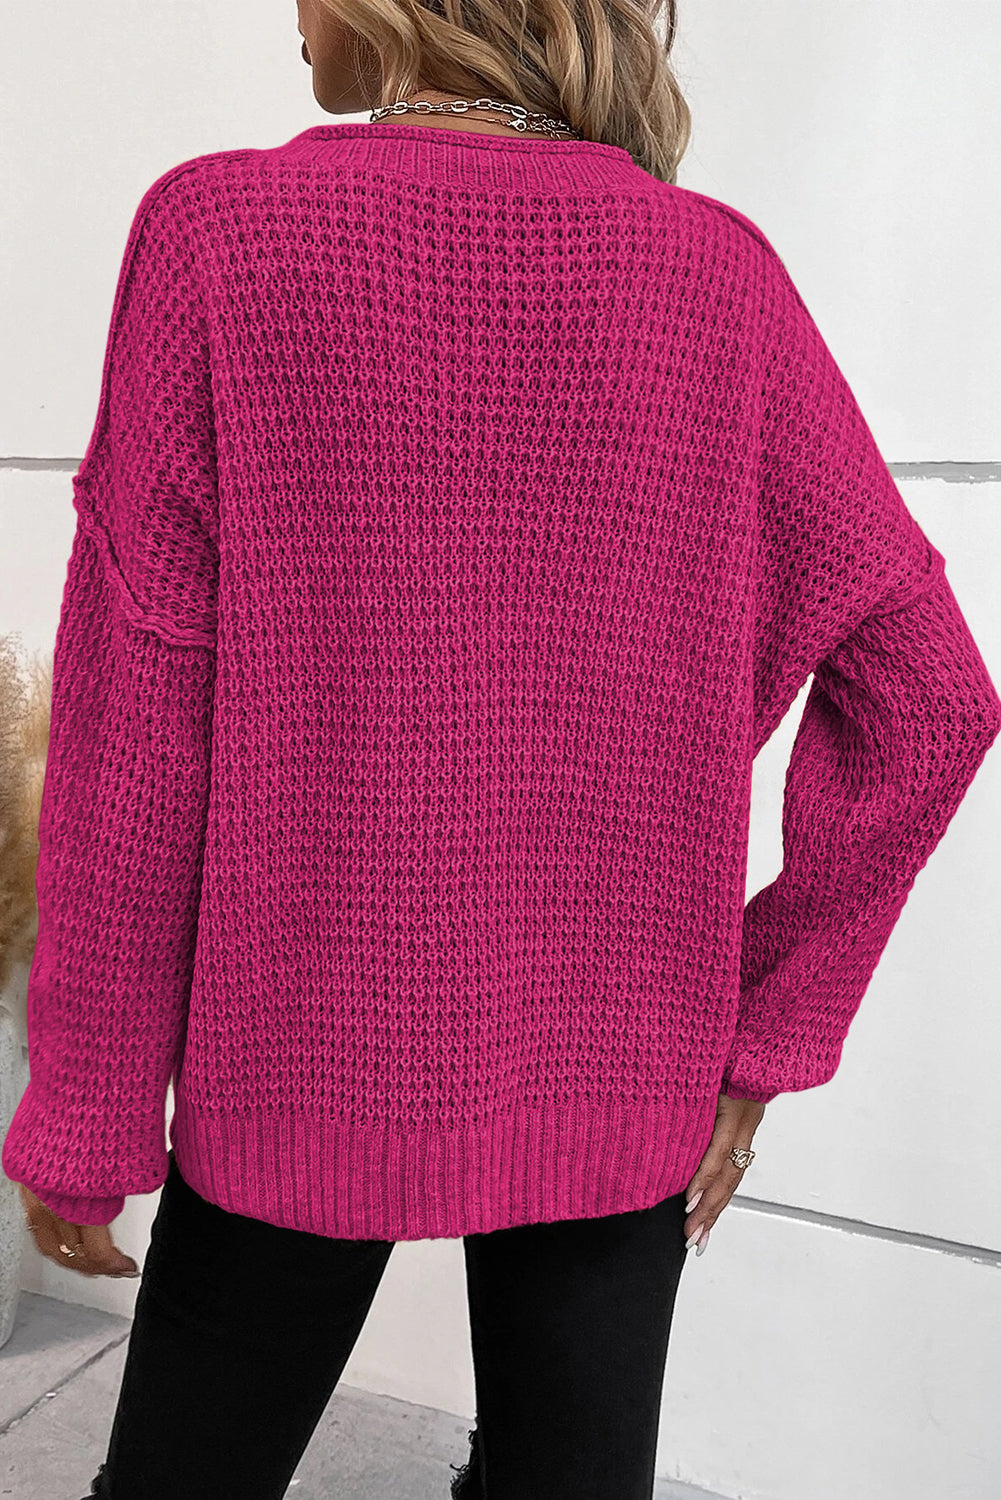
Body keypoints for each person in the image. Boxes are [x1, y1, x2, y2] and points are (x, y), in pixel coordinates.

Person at [4, 1, 999, 1497]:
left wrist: (87, 1106)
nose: (290, 17)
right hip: (626, 1068)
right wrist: (756, 1037)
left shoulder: (220, 236)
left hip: (297, 1063)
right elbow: (930, 695)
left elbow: (133, 734)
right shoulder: (717, 274)